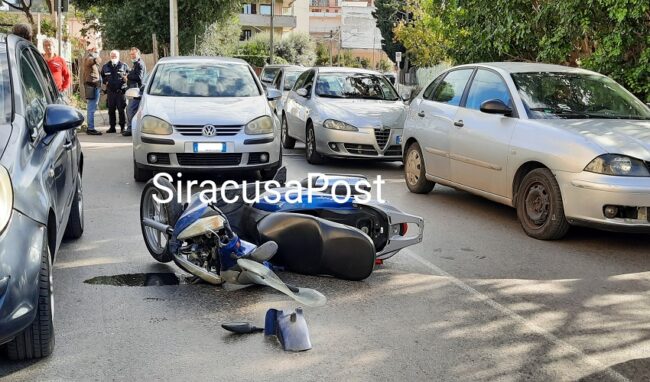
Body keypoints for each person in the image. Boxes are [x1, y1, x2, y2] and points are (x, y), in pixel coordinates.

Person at [101, 50, 129, 134]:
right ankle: (112, 127)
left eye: (115, 56)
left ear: (118, 57)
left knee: (121, 110)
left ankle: (122, 127)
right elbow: (102, 76)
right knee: (111, 110)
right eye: (112, 56)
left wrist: (126, 79)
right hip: (110, 92)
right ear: (110, 57)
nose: (113, 58)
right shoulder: (106, 66)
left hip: (120, 92)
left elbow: (128, 76)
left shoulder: (123, 66)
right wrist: (105, 81)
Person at [124, 47, 146, 137]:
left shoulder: (140, 64)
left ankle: (130, 129)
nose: (132, 56)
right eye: (131, 54)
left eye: (134, 54)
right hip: (133, 89)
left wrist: (127, 77)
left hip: (136, 90)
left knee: (130, 109)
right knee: (132, 110)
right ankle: (132, 128)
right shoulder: (135, 64)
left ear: (138, 54)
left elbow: (139, 77)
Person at [83, 44, 103, 135]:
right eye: (95, 51)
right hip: (91, 87)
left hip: (95, 86)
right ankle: (90, 128)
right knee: (91, 108)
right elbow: (91, 61)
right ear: (90, 51)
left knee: (93, 107)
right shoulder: (89, 58)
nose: (96, 53)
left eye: (97, 51)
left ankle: (90, 127)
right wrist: (96, 59)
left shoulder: (93, 60)